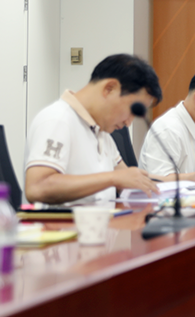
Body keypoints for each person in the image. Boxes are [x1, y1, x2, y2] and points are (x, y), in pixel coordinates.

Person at [23, 54, 163, 205]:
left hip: (103, 219)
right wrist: (113, 178)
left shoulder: (101, 132)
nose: (128, 122)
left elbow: (129, 178)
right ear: (109, 88)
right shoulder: (57, 119)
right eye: (132, 110)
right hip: (66, 221)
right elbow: (37, 187)